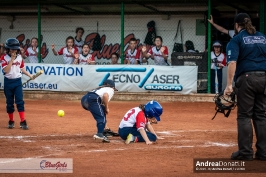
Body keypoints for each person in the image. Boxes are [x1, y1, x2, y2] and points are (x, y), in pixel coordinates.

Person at [224, 13, 266, 160]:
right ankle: (263, 152)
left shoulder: (236, 39)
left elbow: (232, 63)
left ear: (237, 25)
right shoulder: (263, 37)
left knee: (244, 116)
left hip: (247, 78)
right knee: (260, 115)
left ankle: (246, 153)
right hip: (264, 78)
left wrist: (229, 85)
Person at [1, 38, 34, 130]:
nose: (13, 51)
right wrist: (11, 60)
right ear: (7, 49)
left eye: (15, 49)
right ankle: (11, 121)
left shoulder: (19, 57)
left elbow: (22, 68)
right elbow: (6, 71)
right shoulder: (4, 58)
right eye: (11, 49)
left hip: (17, 81)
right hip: (8, 82)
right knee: (9, 102)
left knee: (20, 101)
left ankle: (23, 121)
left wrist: (29, 75)